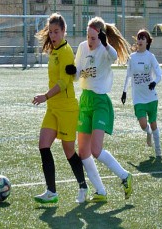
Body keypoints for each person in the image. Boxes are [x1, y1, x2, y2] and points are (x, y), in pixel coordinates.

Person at [32, 13, 89, 204]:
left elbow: (64, 83)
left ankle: (83, 186)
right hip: (53, 108)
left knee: (68, 150)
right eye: (51, 31)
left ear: (64, 31)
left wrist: (45, 96)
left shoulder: (65, 52)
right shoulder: (54, 51)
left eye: (57, 31)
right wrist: (48, 100)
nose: (53, 35)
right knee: (43, 145)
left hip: (66, 108)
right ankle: (51, 192)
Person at [74, 16, 133, 202]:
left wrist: (106, 45)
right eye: (88, 36)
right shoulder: (82, 47)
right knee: (83, 152)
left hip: (100, 103)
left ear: (101, 37)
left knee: (96, 150)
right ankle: (100, 192)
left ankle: (125, 176)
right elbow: (77, 74)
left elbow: (115, 56)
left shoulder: (106, 51)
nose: (90, 41)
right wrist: (71, 71)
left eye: (93, 38)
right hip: (84, 101)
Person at [121, 29, 162, 157]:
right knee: (143, 124)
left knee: (154, 123)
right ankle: (148, 132)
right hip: (138, 98)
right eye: (138, 38)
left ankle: (158, 151)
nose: (139, 40)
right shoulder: (132, 58)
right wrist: (124, 92)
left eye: (142, 38)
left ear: (147, 42)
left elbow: (160, 74)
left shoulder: (150, 57)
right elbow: (128, 76)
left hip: (151, 97)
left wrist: (154, 82)